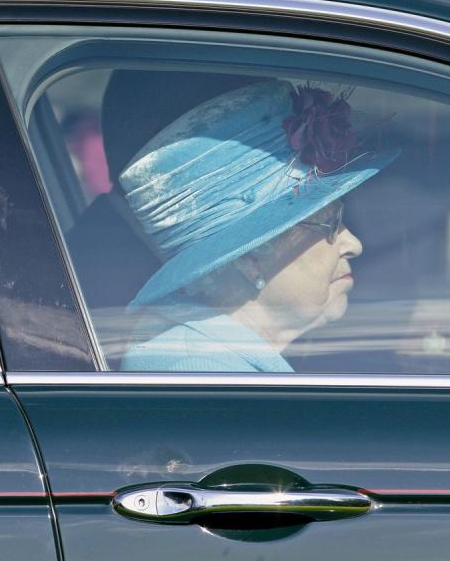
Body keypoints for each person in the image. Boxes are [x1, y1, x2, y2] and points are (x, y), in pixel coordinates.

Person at [117, 79, 396, 372]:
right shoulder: (200, 373)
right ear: (249, 260)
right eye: (329, 223)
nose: (354, 245)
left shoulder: (225, 365)